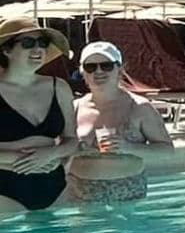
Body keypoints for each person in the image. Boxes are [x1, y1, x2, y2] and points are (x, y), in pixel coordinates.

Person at [68, 38, 174, 204]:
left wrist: (129, 148)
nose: (98, 71)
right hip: (80, 195)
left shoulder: (139, 107)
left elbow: (167, 151)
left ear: (120, 69)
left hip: (127, 194)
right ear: (83, 73)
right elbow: (58, 149)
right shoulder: (73, 109)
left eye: (106, 65)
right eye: (90, 67)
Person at [0, 16, 79, 214]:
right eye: (28, 43)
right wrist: (25, 160)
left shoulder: (59, 87)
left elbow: (71, 140)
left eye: (42, 43)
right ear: (6, 50)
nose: (38, 50)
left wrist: (51, 153)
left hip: (54, 186)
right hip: (5, 189)